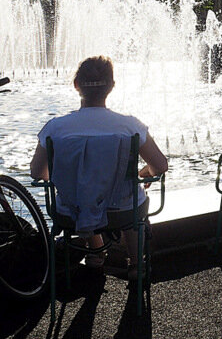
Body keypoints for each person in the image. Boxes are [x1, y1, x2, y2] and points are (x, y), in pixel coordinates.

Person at [30, 56, 168, 269]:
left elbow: (37, 172)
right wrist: (145, 172)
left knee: (84, 198)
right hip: (122, 210)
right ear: (111, 86)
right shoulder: (130, 126)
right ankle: (136, 264)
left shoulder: (55, 128)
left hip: (69, 211)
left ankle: (96, 253)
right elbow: (160, 166)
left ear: (76, 85)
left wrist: (71, 178)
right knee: (131, 197)